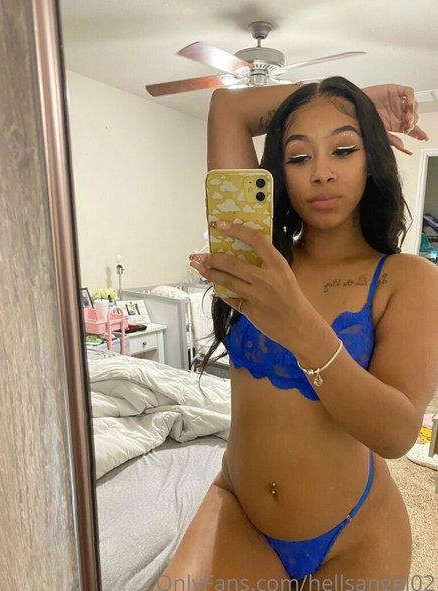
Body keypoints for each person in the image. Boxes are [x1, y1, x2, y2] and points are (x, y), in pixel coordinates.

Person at [157, 78, 437, 590]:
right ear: (279, 170)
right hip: (240, 509)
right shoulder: (257, 256)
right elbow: (229, 106)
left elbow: (397, 435)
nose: (322, 172)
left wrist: (299, 326)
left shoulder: (407, 278)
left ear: (371, 160)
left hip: (357, 535)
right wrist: (355, 98)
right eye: (299, 156)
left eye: (344, 149)